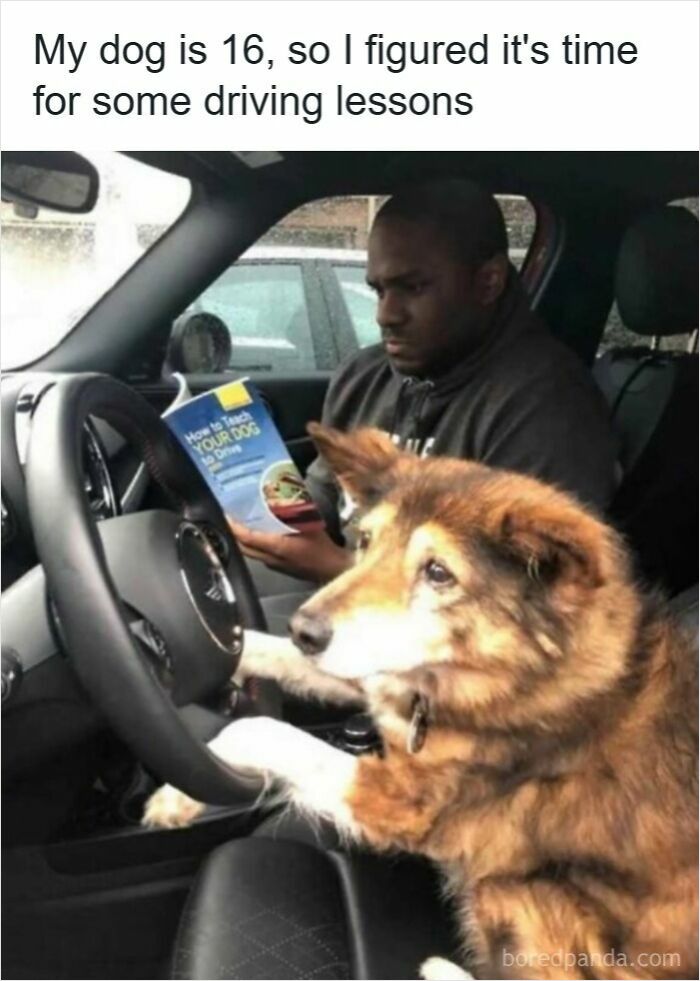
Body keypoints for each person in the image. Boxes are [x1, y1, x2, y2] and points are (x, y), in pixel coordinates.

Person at [231, 179, 618, 632]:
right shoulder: (364, 376)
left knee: (224, 643)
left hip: (441, 652)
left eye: (411, 287)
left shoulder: (548, 410)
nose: (385, 314)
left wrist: (333, 566)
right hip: (347, 588)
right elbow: (328, 494)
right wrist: (270, 516)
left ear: (488, 281)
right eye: (378, 290)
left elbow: (517, 616)